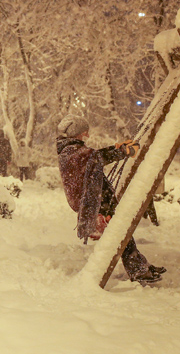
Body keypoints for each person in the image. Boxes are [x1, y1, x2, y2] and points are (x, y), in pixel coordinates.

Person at [55, 115, 164, 285]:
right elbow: (95, 157)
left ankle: (140, 267)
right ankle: (136, 269)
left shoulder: (71, 151)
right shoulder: (72, 153)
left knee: (121, 231)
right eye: (85, 133)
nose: (87, 136)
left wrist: (116, 147)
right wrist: (120, 151)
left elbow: (93, 156)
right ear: (76, 133)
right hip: (93, 202)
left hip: (96, 198)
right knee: (119, 233)